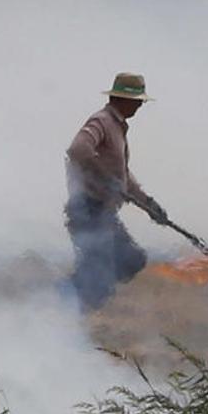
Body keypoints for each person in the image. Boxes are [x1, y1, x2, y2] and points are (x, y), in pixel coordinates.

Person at [64, 72, 168, 311]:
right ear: (122, 99)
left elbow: (122, 178)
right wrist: (104, 176)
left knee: (130, 261)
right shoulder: (101, 121)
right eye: (137, 100)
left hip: (102, 212)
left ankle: (71, 301)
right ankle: (60, 306)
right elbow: (78, 150)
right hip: (88, 209)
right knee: (98, 278)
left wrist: (148, 204)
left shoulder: (118, 127)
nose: (141, 105)